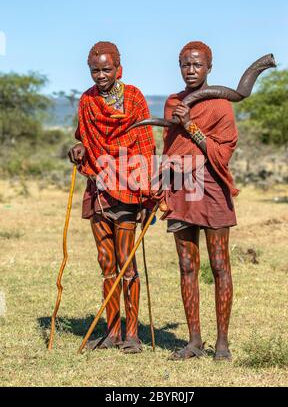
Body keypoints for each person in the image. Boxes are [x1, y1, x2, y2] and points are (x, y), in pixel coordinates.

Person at [68, 41, 155, 353]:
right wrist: (78, 150)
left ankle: (132, 335)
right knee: (106, 263)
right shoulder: (88, 101)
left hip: (129, 191)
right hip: (98, 189)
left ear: (119, 69)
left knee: (127, 265)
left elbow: (145, 146)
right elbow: (84, 140)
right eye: (95, 70)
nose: (100, 75)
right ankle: (112, 331)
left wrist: (148, 195)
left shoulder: (133, 97)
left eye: (106, 69)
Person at [161, 41, 238, 361]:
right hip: (182, 192)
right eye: (185, 65)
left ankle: (222, 342)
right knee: (187, 266)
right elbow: (170, 150)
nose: (190, 71)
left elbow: (224, 151)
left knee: (220, 266)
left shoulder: (221, 106)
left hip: (213, 190)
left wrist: (190, 124)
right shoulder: (172, 102)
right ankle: (194, 340)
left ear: (209, 67)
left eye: (197, 65)